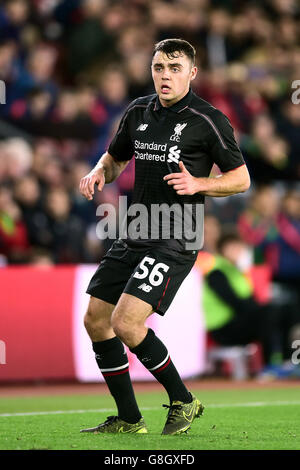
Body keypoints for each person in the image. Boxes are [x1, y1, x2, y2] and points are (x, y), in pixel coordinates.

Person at [79, 38, 250, 435]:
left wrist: (199, 184)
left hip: (177, 236)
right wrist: (99, 171)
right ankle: (129, 418)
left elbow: (241, 179)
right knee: (96, 319)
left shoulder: (208, 120)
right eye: (159, 68)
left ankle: (184, 401)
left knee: (126, 321)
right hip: (138, 227)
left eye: (174, 68)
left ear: (192, 73)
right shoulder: (138, 110)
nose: (165, 75)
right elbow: (117, 156)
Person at [203, 232, 300, 375]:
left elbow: (249, 301)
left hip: (238, 322)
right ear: (222, 250)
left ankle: (289, 361)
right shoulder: (216, 273)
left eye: (239, 247)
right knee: (269, 313)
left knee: (289, 308)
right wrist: (264, 307)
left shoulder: (237, 272)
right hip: (223, 329)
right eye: (232, 247)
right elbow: (237, 304)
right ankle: (269, 366)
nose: (237, 251)